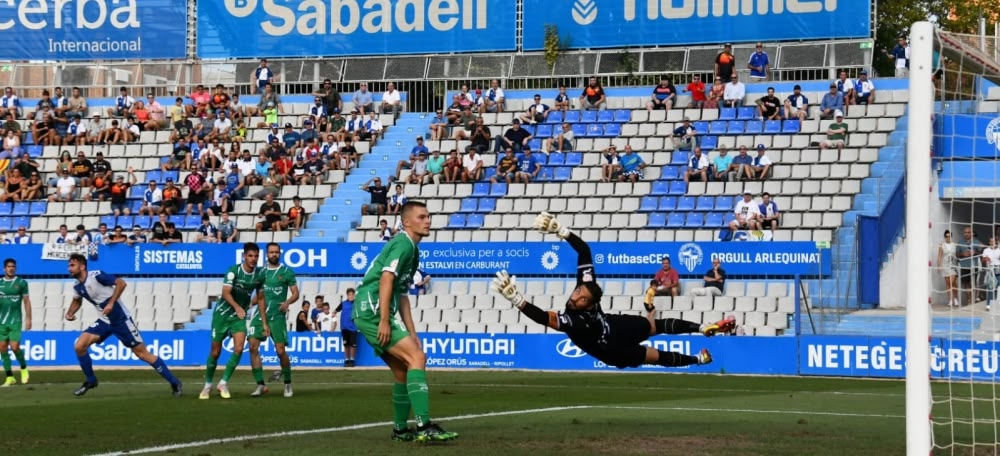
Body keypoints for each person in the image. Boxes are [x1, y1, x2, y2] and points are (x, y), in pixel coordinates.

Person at [493, 212, 730, 374]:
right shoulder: (577, 317)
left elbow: (583, 252)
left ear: (590, 303)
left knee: (654, 326)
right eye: (577, 293)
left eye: (581, 297)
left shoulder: (582, 305)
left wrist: (563, 232)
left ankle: (701, 328)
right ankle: (699, 359)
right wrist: (562, 232)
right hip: (612, 350)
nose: (575, 297)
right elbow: (548, 317)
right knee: (655, 355)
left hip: (612, 325)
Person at [353, 201, 458, 442]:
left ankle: (400, 430)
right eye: (421, 217)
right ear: (406, 222)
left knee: (403, 370)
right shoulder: (402, 243)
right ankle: (424, 425)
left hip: (371, 310)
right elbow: (386, 279)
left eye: (428, 217)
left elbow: (402, 295)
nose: (427, 221)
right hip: (372, 309)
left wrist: (412, 333)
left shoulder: (413, 250)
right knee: (417, 358)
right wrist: (383, 320)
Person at [65, 254, 181, 397]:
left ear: (82, 266)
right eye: (69, 265)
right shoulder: (77, 287)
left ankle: (174, 382)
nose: (68, 268)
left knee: (142, 353)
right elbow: (77, 301)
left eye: (72, 265)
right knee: (79, 346)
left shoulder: (96, 276)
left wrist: (111, 302)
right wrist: (69, 313)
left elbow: (121, 283)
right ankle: (91, 380)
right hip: (104, 321)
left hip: (121, 320)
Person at [199, 243, 264, 400]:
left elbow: (261, 297)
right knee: (215, 352)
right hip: (222, 315)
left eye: (256, 256)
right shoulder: (233, 271)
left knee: (239, 348)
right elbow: (226, 293)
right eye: (250, 256)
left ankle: (223, 382)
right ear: (244, 256)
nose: (253, 259)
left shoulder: (260, 275)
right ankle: (207, 385)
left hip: (238, 317)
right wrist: (237, 307)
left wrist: (263, 320)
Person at [249, 243, 299, 398]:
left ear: (280, 254)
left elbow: (296, 293)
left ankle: (288, 383)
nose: (274, 254)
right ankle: (260, 385)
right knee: (252, 347)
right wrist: (248, 304)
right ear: (267, 254)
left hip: (277, 316)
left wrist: (287, 302)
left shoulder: (286, 272)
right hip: (260, 314)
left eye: (277, 252)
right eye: (271, 252)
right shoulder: (260, 273)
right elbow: (259, 295)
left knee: (280, 351)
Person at [0, 258, 31, 386]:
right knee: (2, 348)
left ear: (15, 268)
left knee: (14, 347)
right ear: (4, 269)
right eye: (8, 266)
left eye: (13, 266)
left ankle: (23, 368)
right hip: (1, 321)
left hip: (15, 321)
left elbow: (26, 301)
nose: (11, 268)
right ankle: (9, 377)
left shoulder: (21, 283)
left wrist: (29, 318)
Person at [334, 288, 358, 367]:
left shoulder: (357, 303)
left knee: (353, 345)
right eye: (349, 294)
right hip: (344, 327)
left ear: (354, 295)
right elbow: (336, 310)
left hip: (353, 327)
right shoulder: (343, 303)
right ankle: (347, 360)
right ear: (347, 295)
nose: (351, 296)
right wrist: (333, 314)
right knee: (346, 345)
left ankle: (352, 360)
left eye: (352, 294)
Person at [936, 230, 956, 306]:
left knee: (953, 282)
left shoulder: (954, 245)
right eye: (946, 236)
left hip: (953, 265)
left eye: (949, 236)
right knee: (947, 283)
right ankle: (950, 300)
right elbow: (939, 256)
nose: (948, 238)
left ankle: (955, 298)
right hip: (945, 265)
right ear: (945, 237)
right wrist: (938, 266)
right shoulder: (942, 245)